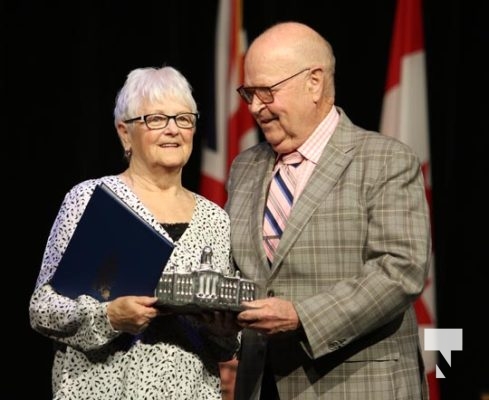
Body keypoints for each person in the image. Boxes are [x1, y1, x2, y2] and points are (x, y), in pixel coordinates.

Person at [226, 21, 432, 399]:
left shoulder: (385, 160)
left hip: (356, 386)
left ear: (314, 82)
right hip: (261, 386)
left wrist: (303, 317)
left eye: (266, 91)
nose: (255, 107)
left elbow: (401, 269)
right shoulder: (244, 167)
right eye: (248, 93)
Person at [29, 65, 240, 400]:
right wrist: (108, 316)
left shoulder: (216, 218)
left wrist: (223, 330)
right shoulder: (91, 200)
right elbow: (42, 309)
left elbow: (226, 346)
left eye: (183, 119)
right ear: (124, 133)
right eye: (156, 119)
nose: (173, 130)